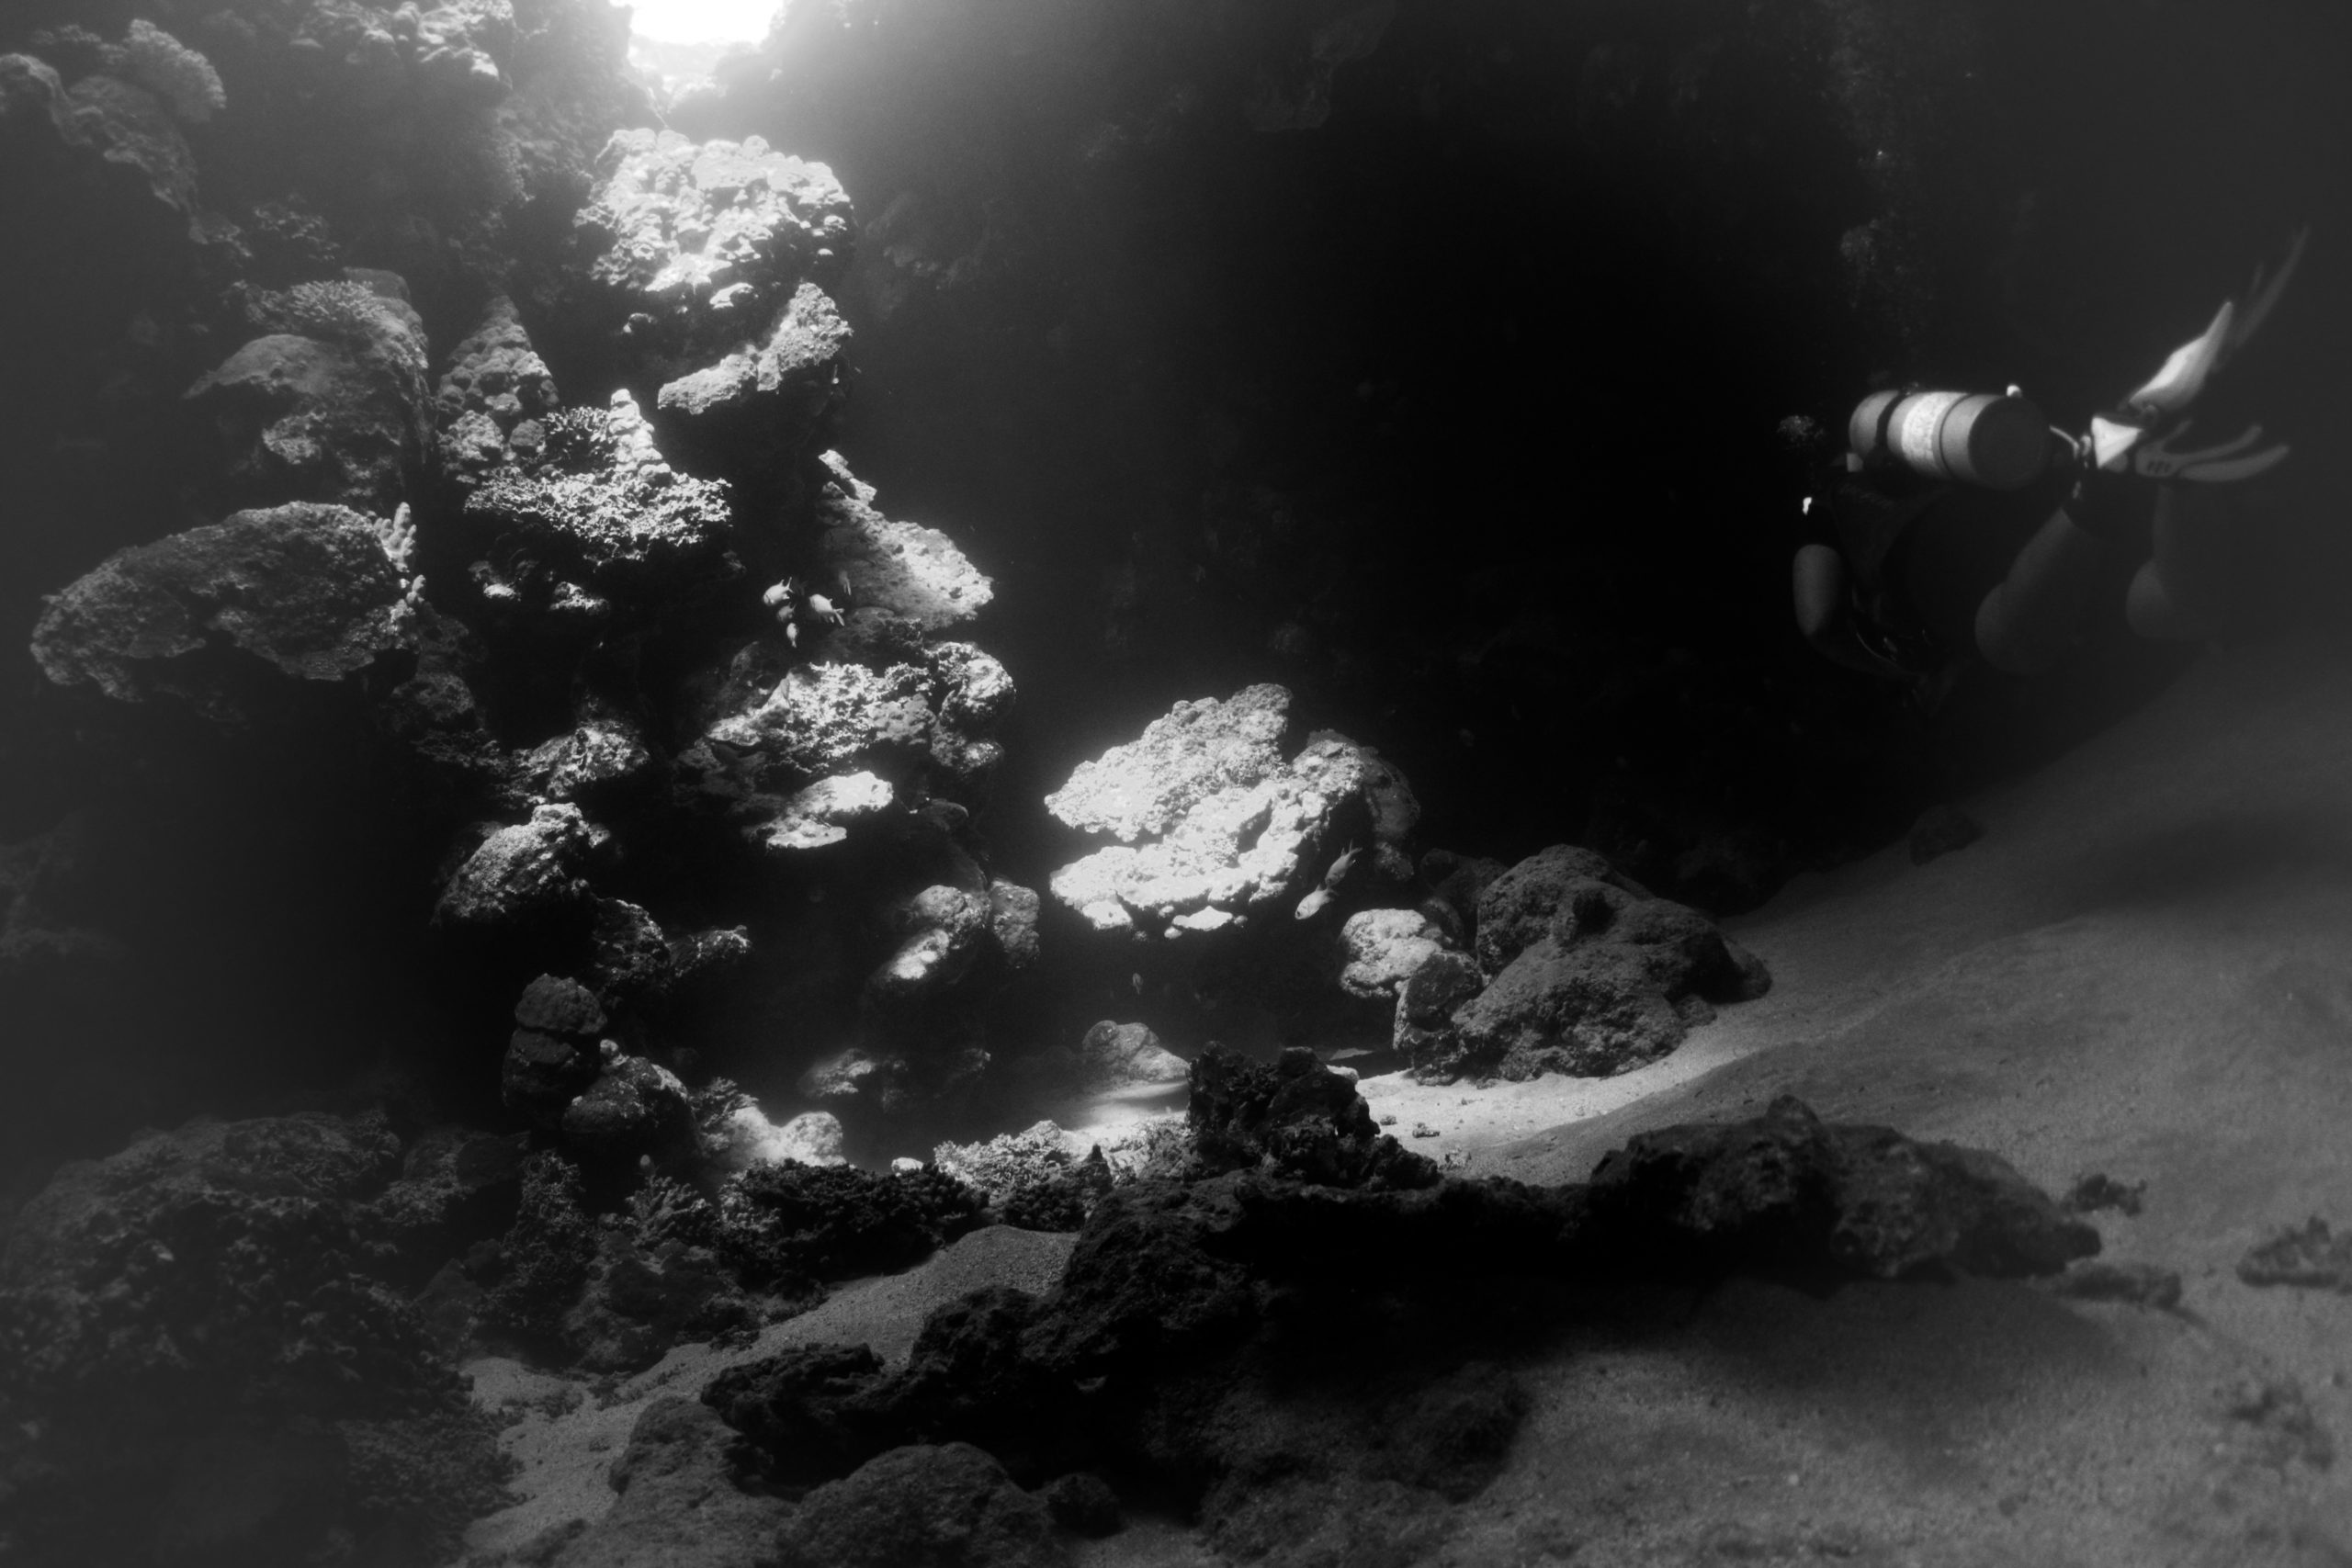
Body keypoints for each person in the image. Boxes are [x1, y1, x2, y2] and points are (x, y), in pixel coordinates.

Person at [1792, 231, 2307, 690]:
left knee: (2014, 643)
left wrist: (1905, 666)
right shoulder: (1930, 431)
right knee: (2179, 607)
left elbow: (1817, 619)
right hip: (2032, 490)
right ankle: (2175, 461)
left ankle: (2100, 490)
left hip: (1922, 541)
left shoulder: (1829, 496)